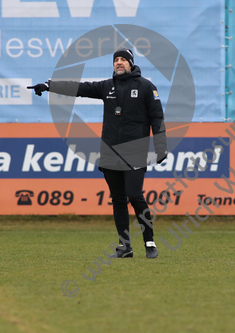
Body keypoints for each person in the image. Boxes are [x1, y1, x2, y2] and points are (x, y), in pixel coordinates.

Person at [28, 48, 167, 259]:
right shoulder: (106, 86)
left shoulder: (145, 86)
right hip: (110, 152)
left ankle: (149, 242)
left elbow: (157, 117)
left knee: (134, 195)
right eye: (116, 60)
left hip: (135, 152)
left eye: (123, 60)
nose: (119, 63)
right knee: (118, 199)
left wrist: (160, 145)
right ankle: (125, 246)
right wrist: (49, 86)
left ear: (131, 63)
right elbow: (79, 88)